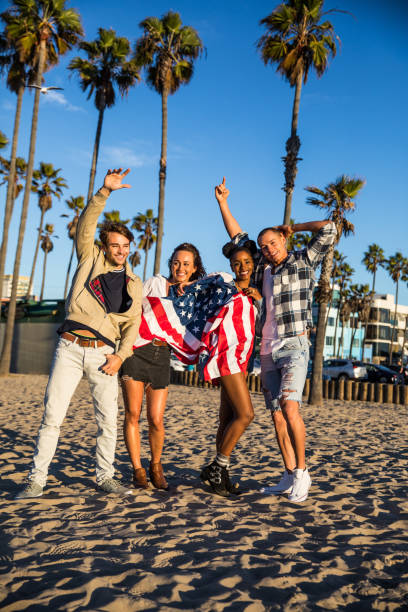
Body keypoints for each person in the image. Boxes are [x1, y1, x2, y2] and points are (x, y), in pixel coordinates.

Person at [15, 168, 142, 499]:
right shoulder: (91, 257)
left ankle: (105, 476)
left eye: (125, 246)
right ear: (106, 245)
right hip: (69, 349)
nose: (121, 250)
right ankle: (36, 479)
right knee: (52, 416)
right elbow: (86, 228)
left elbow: (132, 325)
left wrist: (120, 355)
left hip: (104, 355)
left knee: (107, 422)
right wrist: (104, 191)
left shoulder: (134, 283)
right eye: (115, 245)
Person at [215, 177, 336, 502]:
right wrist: (223, 202)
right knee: (276, 415)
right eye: (264, 245)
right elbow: (237, 237)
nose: (269, 249)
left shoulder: (303, 260)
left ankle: (302, 473)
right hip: (267, 352)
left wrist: (292, 227)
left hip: (295, 346)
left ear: (282, 240)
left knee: (290, 407)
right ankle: (287, 474)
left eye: (273, 243)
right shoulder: (260, 271)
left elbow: (329, 228)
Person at [120, 243, 206, 491]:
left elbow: (222, 281)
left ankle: (156, 466)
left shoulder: (193, 295)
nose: (180, 267)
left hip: (161, 356)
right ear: (171, 263)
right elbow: (132, 308)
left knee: (156, 419)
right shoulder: (154, 283)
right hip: (137, 351)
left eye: (186, 264)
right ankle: (137, 469)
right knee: (133, 415)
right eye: (177, 262)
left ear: (194, 268)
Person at [214, 243, 262, 481]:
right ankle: (217, 466)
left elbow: (261, 327)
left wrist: (260, 301)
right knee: (246, 415)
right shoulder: (226, 290)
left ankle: (221, 473)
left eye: (247, 262)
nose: (242, 267)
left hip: (244, 360)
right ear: (230, 266)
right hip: (227, 357)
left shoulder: (257, 291)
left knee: (227, 417)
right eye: (236, 263)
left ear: (254, 264)